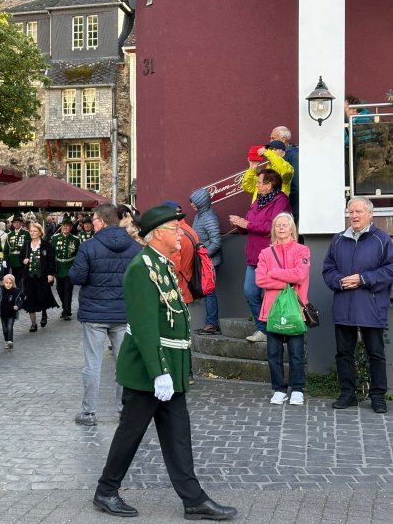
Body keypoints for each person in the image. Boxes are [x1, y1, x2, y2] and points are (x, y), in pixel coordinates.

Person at [93, 205, 237, 521]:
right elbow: (145, 326)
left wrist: (174, 370)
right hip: (148, 371)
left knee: (178, 435)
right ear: (158, 233)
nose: (180, 233)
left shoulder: (163, 265)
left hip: (169, 368)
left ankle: (194, 500)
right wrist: (160, 373)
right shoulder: (141, 268)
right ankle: (106, 490)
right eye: (174, 228)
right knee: (130, 432)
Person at [70, 203, 141, 427]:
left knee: (92, 363)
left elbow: (77, 277)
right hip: (123, 313)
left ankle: (89, 412)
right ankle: (125, 410)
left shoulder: (89, 247)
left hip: (94, 315)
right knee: (124, 364)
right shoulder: (134, 247)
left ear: (101, 221)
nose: (92, 224)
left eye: (93, 220)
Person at [323, 197, 393, 414]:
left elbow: (390, 270)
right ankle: (348, 393)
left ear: (370, 214)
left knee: (375, 353)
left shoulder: (381, 239)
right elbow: (328, 269)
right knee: (344, 353)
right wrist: (339, 282)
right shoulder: (338, 240)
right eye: (350, 211)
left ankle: (378, 396)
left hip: (370, 305)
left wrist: (363, 279)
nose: (353, 215)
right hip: (344, 304)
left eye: (358, 212)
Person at [229, 169, 291, 343]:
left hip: (273, 257)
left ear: (269, 185)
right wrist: (240, 224)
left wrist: (247, 223)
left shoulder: (281, 201)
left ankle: (280, 329)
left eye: (259, 182)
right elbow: (249, 224)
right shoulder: (258, 201)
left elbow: (273, 226)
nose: (256, 185)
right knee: (250, 292)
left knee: (276, 296)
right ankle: (263, 329)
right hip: (254, 256)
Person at [255, 213, 310, 405]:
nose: (281, 228)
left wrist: (275, 273)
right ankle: (278, 389)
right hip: (272, 310)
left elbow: (300, 275)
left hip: (295, 309)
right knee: (273, 353)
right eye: (277, 225)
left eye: (285, 224)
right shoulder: (265, 253)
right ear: (274, 229)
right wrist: (287, 282)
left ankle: (297, 389)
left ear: (292, 228)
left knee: (296, 352)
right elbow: (260, 279)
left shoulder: (302, 250)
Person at [189, 188, 223, 335]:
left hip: (210, 262)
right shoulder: (200, 215)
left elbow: (216, 241)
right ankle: (210, 322)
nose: (191, 205)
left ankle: (211, 324)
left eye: (194, 202)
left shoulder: (208, 217)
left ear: (201, 202)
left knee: (209, 292)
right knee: (207, 291)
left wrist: (203, 255)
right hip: (204, 261)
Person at [20, 222, 58, 332]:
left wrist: (50, 274)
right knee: (30, 300)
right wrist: (23, 260)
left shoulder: (46, 245)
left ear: (40, 232)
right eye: (31, 231)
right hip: (30, 277)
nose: (32, 233)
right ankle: (33, 324)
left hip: (42, 276)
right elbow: (21, 257)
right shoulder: (27, 245)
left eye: (34, 231)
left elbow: (51, 260)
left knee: (42, 298)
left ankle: (44, 313)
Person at [51, 215, 80, 320]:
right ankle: (65, 307)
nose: (65, 228)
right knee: (59, 289)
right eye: (64, 226)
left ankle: (67, 311)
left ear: (71, 227)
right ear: (61, 227)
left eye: (68, 226)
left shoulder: (76, 240)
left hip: (69, 267)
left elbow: (78, 255)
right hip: (58, 267)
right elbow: (51, 254)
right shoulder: (55, 238)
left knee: (68, 290)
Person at [270, 126, 299, 223]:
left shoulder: (294, 155)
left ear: (283, 139)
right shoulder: (277, 156)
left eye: (273, 138)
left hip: (289, 207)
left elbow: (296, 185)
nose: (270, 141)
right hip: (278, 205)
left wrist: (292, 209)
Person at [0, 274, 22, 349]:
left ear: (13, 284)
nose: (8, 285)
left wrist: (17, 306)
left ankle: (10, 341)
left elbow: (20, 301)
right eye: (6, 283)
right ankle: (6, 340)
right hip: (3, 313)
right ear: (4, 283)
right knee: (5, 328)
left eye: (10, 283)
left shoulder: (16, 291)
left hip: (12, 313)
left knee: (10, 326)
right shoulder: (1, 290)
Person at [4, 213, 28, 283]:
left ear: (21, 223)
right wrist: (5, 259)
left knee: (22, 278)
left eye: (18, 222)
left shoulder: (26, 233)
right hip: (13, 260)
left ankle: (22, 292)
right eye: (15, 222)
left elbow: (29, 247)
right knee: (15, 278)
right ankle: (18, 292)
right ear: (13, 224)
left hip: (22, 259)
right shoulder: (9, 235)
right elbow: (6, 249)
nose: (17, 224)